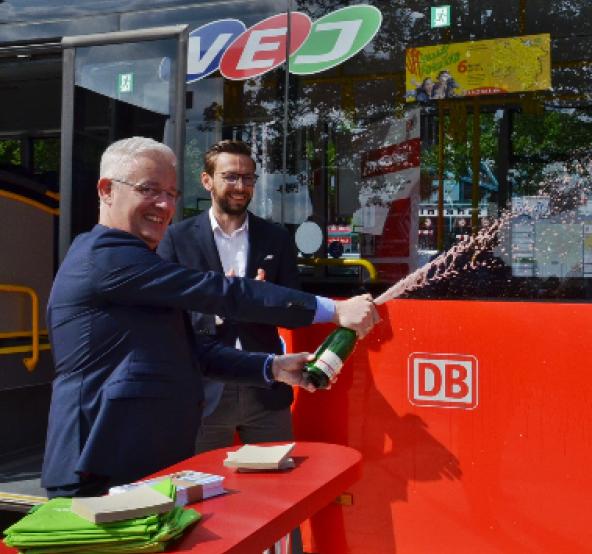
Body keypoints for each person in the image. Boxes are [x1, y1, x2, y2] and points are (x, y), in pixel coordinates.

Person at [42, 137, 379, 498]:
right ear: (107, 190)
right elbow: (222, 292)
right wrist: (335, 309)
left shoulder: (138, 263)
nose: (164, 205)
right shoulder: (106, 256)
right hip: (97, 471)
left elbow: (192, 350)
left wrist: (272, 367)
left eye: (172, 194)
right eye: (149, 190)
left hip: (135, 469)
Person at [156, 140, 300, 454]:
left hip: (266, 390)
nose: (240, 186)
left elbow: (295, 309)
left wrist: (263, 299)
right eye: (231, 177)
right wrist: (218, 304)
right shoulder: (175, 239)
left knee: (276, 491)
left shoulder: (276, 238)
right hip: (202, 389)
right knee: (200, 491)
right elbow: (165, 313)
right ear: (207, 181)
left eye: (248, 178)